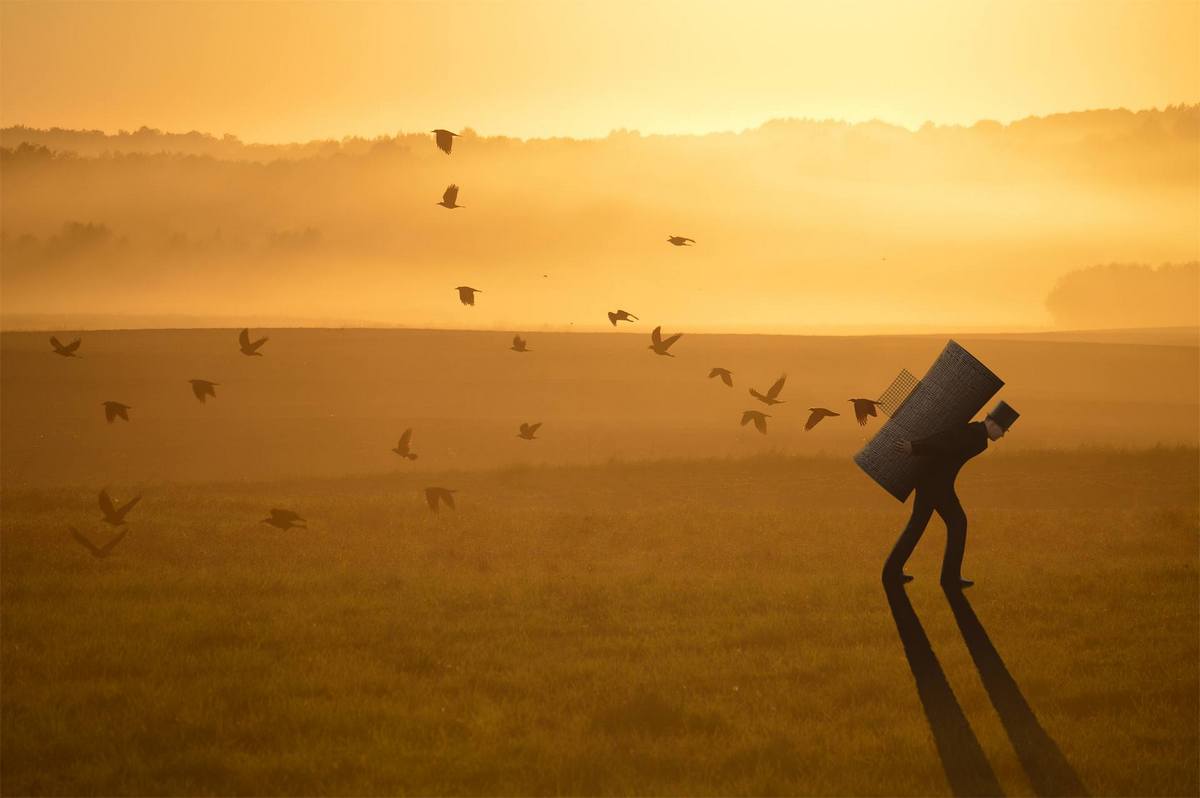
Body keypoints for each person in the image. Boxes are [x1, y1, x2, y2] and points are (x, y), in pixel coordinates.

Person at [882, 400, 1019, 589]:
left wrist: (916, 447)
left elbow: (946, 442)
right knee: (955, 523)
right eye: (1003, 430)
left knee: (921, 525)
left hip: (935, 483)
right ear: (993, 424)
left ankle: (893, 572)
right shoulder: (974, 435)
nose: (1002, 436)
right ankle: (948, 578)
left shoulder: (978, 436)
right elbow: (945, 440)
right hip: (936, 485)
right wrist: (914, 447)